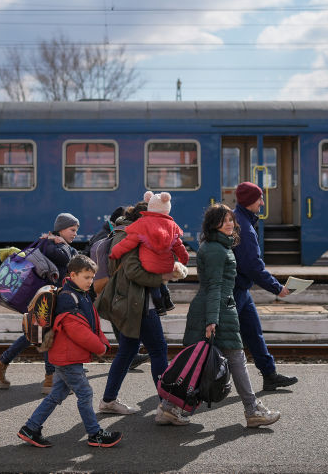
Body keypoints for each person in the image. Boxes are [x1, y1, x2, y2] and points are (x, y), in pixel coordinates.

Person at [176, 204, 281, 428]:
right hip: (218, 311)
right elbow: (214, 287)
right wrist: (212, 320)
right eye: (223, 221)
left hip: (219, 308)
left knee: (202, 361)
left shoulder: (218, 246)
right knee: (235, 359)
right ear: (213, 224)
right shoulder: (216, 250)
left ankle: (169, 407)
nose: (229, 224)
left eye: (231, 219)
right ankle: (252, 410)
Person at [17, 254, 122, 448]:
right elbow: (77, 330)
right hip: (67, 358)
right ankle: (94, 434)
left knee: (57, 394)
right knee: (85, 393)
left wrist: (103, 342)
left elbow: (92, 324)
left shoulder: (80, 294)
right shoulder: (68, 297)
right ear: (73, 275)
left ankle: (30, 428)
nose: (90, 281)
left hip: (66, 356)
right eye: (86, 277)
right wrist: (99, 347)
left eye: (92, 277)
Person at [94, 202, 177, 424]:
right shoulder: (131, 235)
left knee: (128, 350)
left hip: (131, 301)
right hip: (138, 303)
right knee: (158, 350)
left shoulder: (125, 231)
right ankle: (167, 406)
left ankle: (108, 400)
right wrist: (161, 277)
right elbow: (133, 271)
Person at [0, 212, 80, 394]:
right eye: (72, 230)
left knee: (35, 333)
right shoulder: (51, 244)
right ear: (61, 229)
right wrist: (64, 245)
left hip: (48, 298)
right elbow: (68, 260)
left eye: (76, 230)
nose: (75, 234)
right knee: (45, 333)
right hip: (46, 299)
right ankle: (50, 379)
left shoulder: (56, 244)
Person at [232, 182, 298, 391]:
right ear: (250, 201)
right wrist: (277, 288)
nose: (262, 203)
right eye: (259, 198)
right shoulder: (244, 227)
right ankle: (193, 380)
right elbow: (253, 266)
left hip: (241, 289)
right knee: (220, 339)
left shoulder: (241, 219)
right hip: (234, 291)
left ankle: (270, 376)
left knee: (254, 332)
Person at [90, 206, 150, 372]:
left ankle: (130, 355)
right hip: (108, 287)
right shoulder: (113, 235)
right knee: (118, 322)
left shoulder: (110, 233)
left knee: (119, 322)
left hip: (108, 286)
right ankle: (129, 356)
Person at [109, 191, 189, 276]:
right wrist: (184, 260)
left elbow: (128, 243)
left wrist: (114, 253)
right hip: (166, 267)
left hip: (148, 265)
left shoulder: (142, 223)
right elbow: (179, 246)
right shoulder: (172, 225)